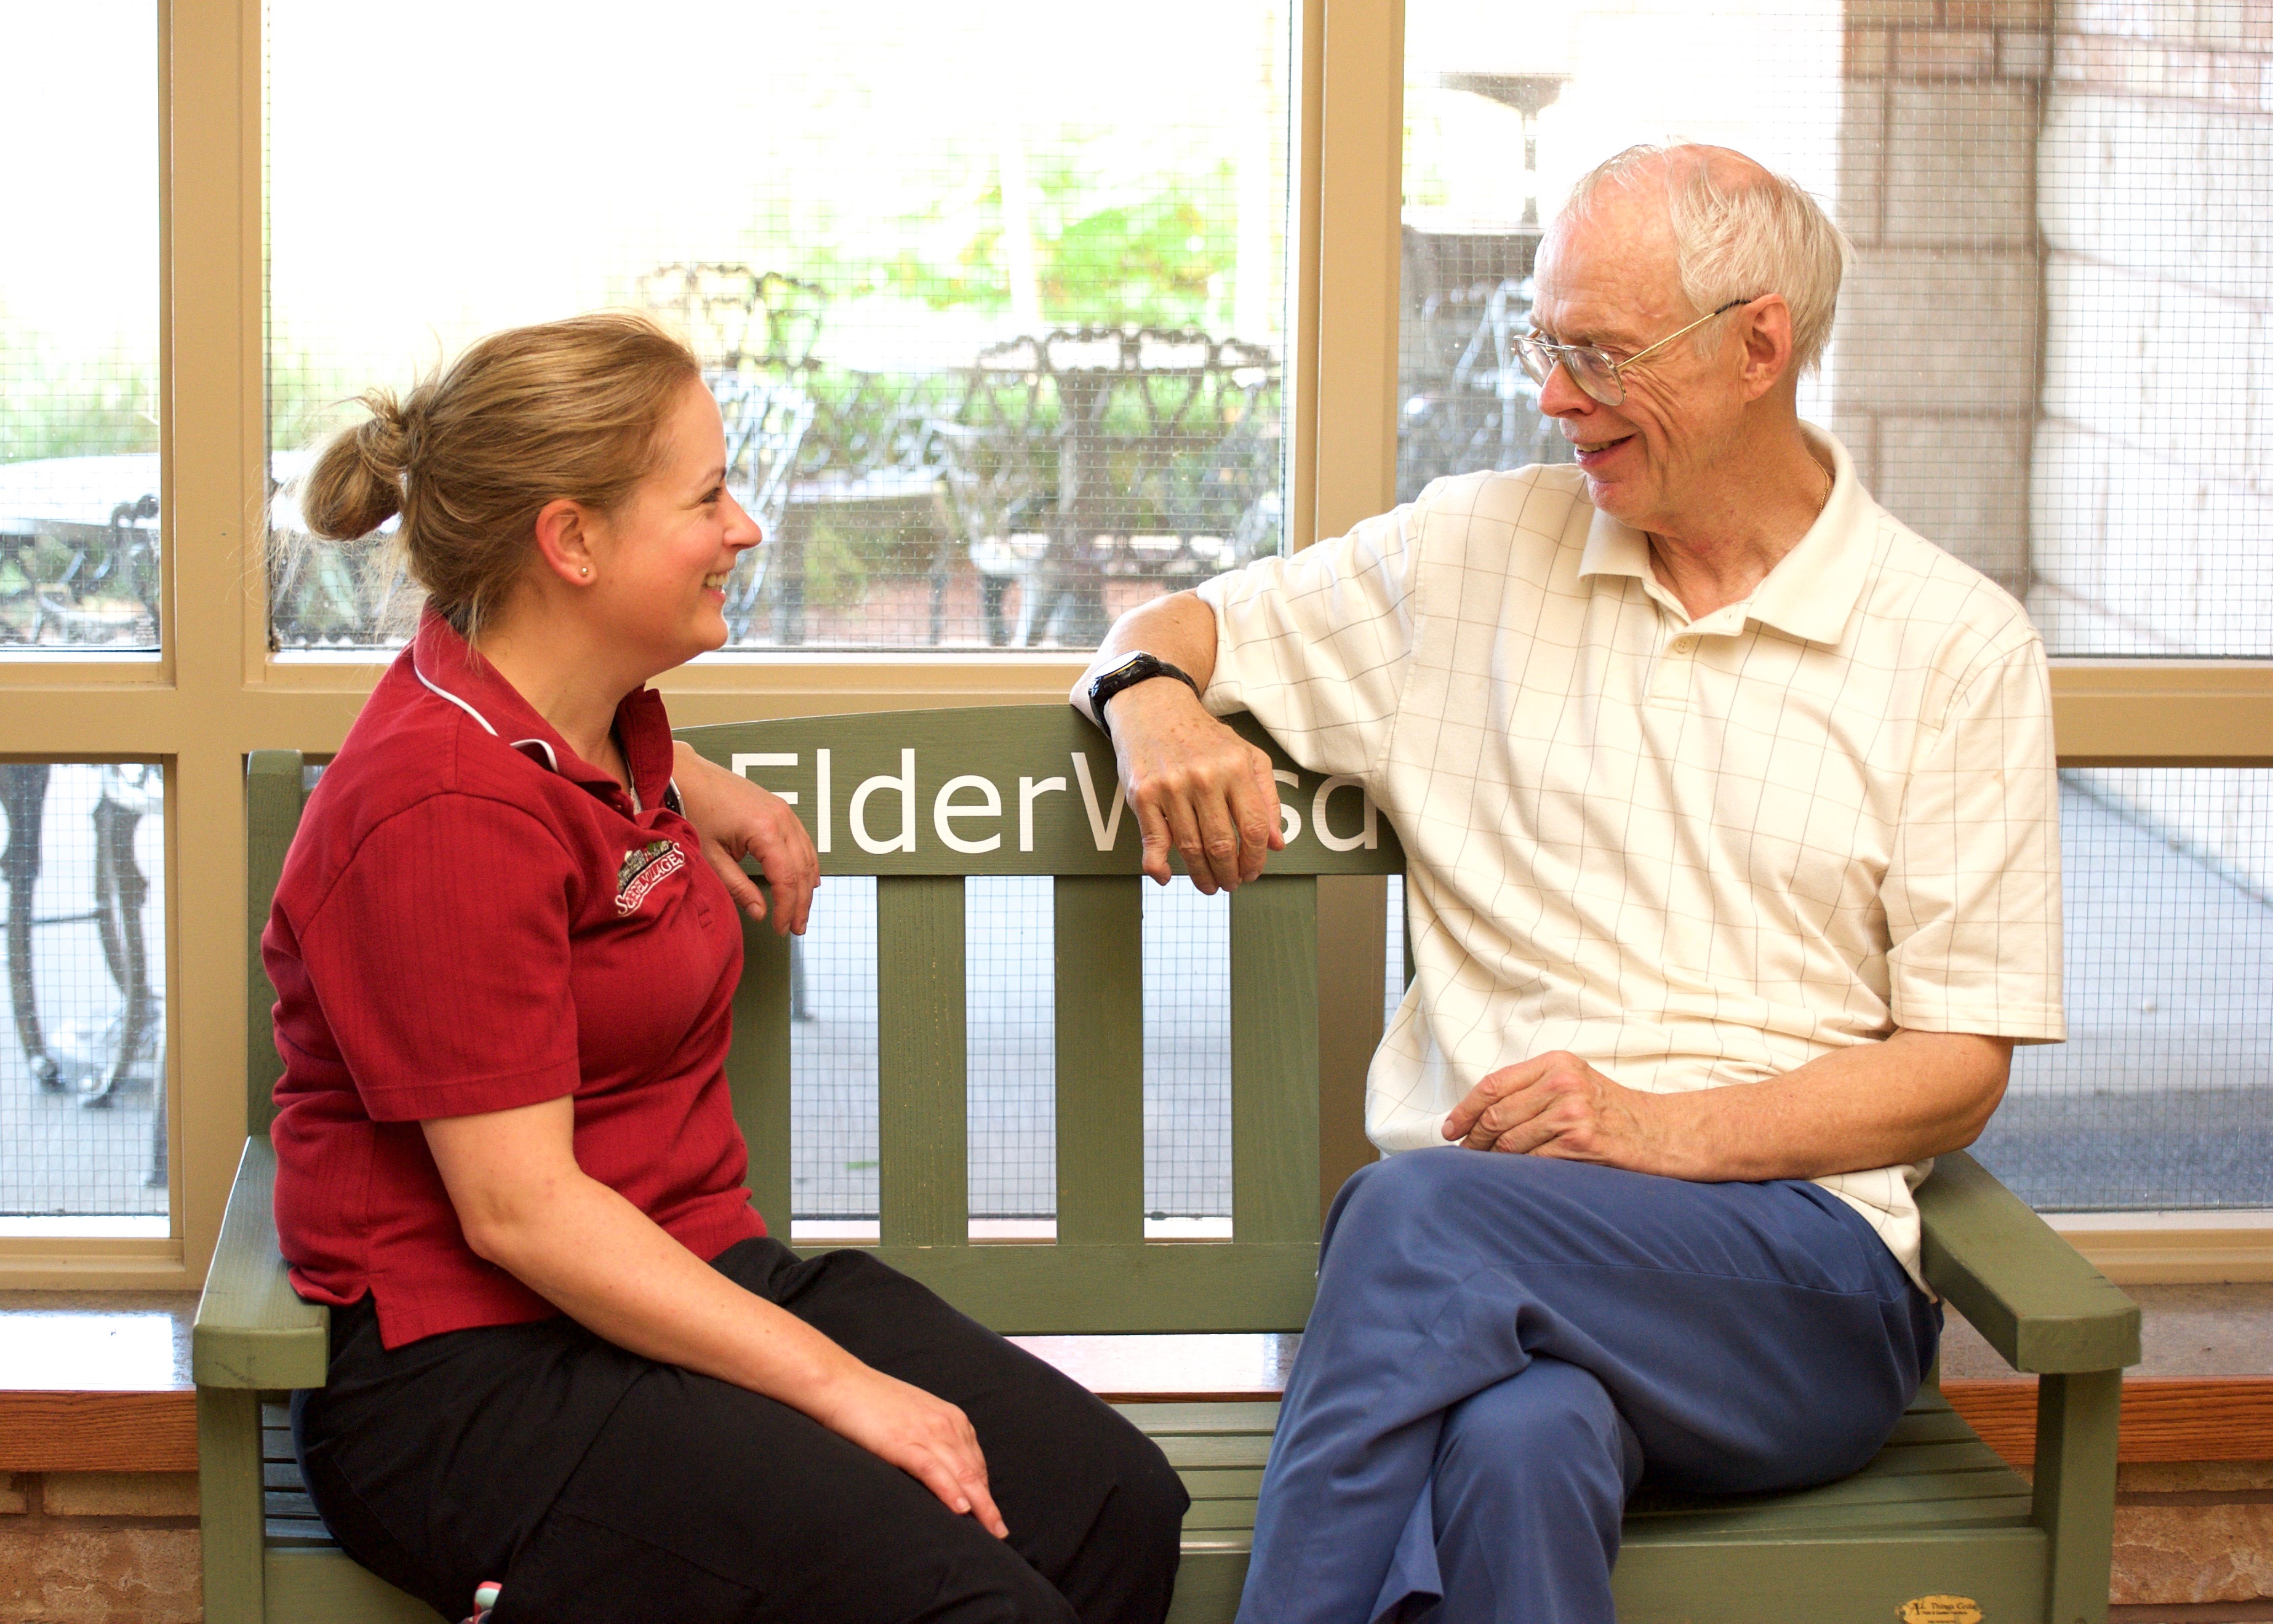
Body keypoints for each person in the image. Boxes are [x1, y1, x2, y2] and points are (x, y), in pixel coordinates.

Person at [1071, 145, 2063, 1623]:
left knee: (1410, 1215)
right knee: (1518, 1444)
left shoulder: (1950, 647)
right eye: (1546, 345)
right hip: (1497, 1292)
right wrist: (1149, 699)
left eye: (1596, 353)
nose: (1549, 394)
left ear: (1756, 345)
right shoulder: (1472, 554)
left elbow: (1950, 1074)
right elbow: (1166, 626)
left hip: (1792, 1282)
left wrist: (1651, 1131)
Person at [268, 312, 1186, 1624]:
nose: (746, 528)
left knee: (1108, 1504)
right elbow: (519, 1214)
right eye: (705, 497)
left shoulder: (598, 723)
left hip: (679, 1279)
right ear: (571, 540)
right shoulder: (437, 817)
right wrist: (840, 1386)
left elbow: (557, 763)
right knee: (970, 1603)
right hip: (483, 1378)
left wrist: (698, 784)